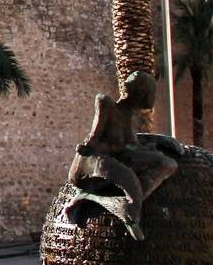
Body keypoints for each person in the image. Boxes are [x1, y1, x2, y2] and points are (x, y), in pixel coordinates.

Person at [63, 71, 182, 240]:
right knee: (130, 181)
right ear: (139, 92)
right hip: (93, 165)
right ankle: (127, 213)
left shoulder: (133, 119)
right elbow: (94, 135)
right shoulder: (107, 104)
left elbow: (133, 146)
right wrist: (87, 146)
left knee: (168, 164)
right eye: (147, 92)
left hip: (118, 159)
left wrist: (161, 143)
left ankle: (124, 204)